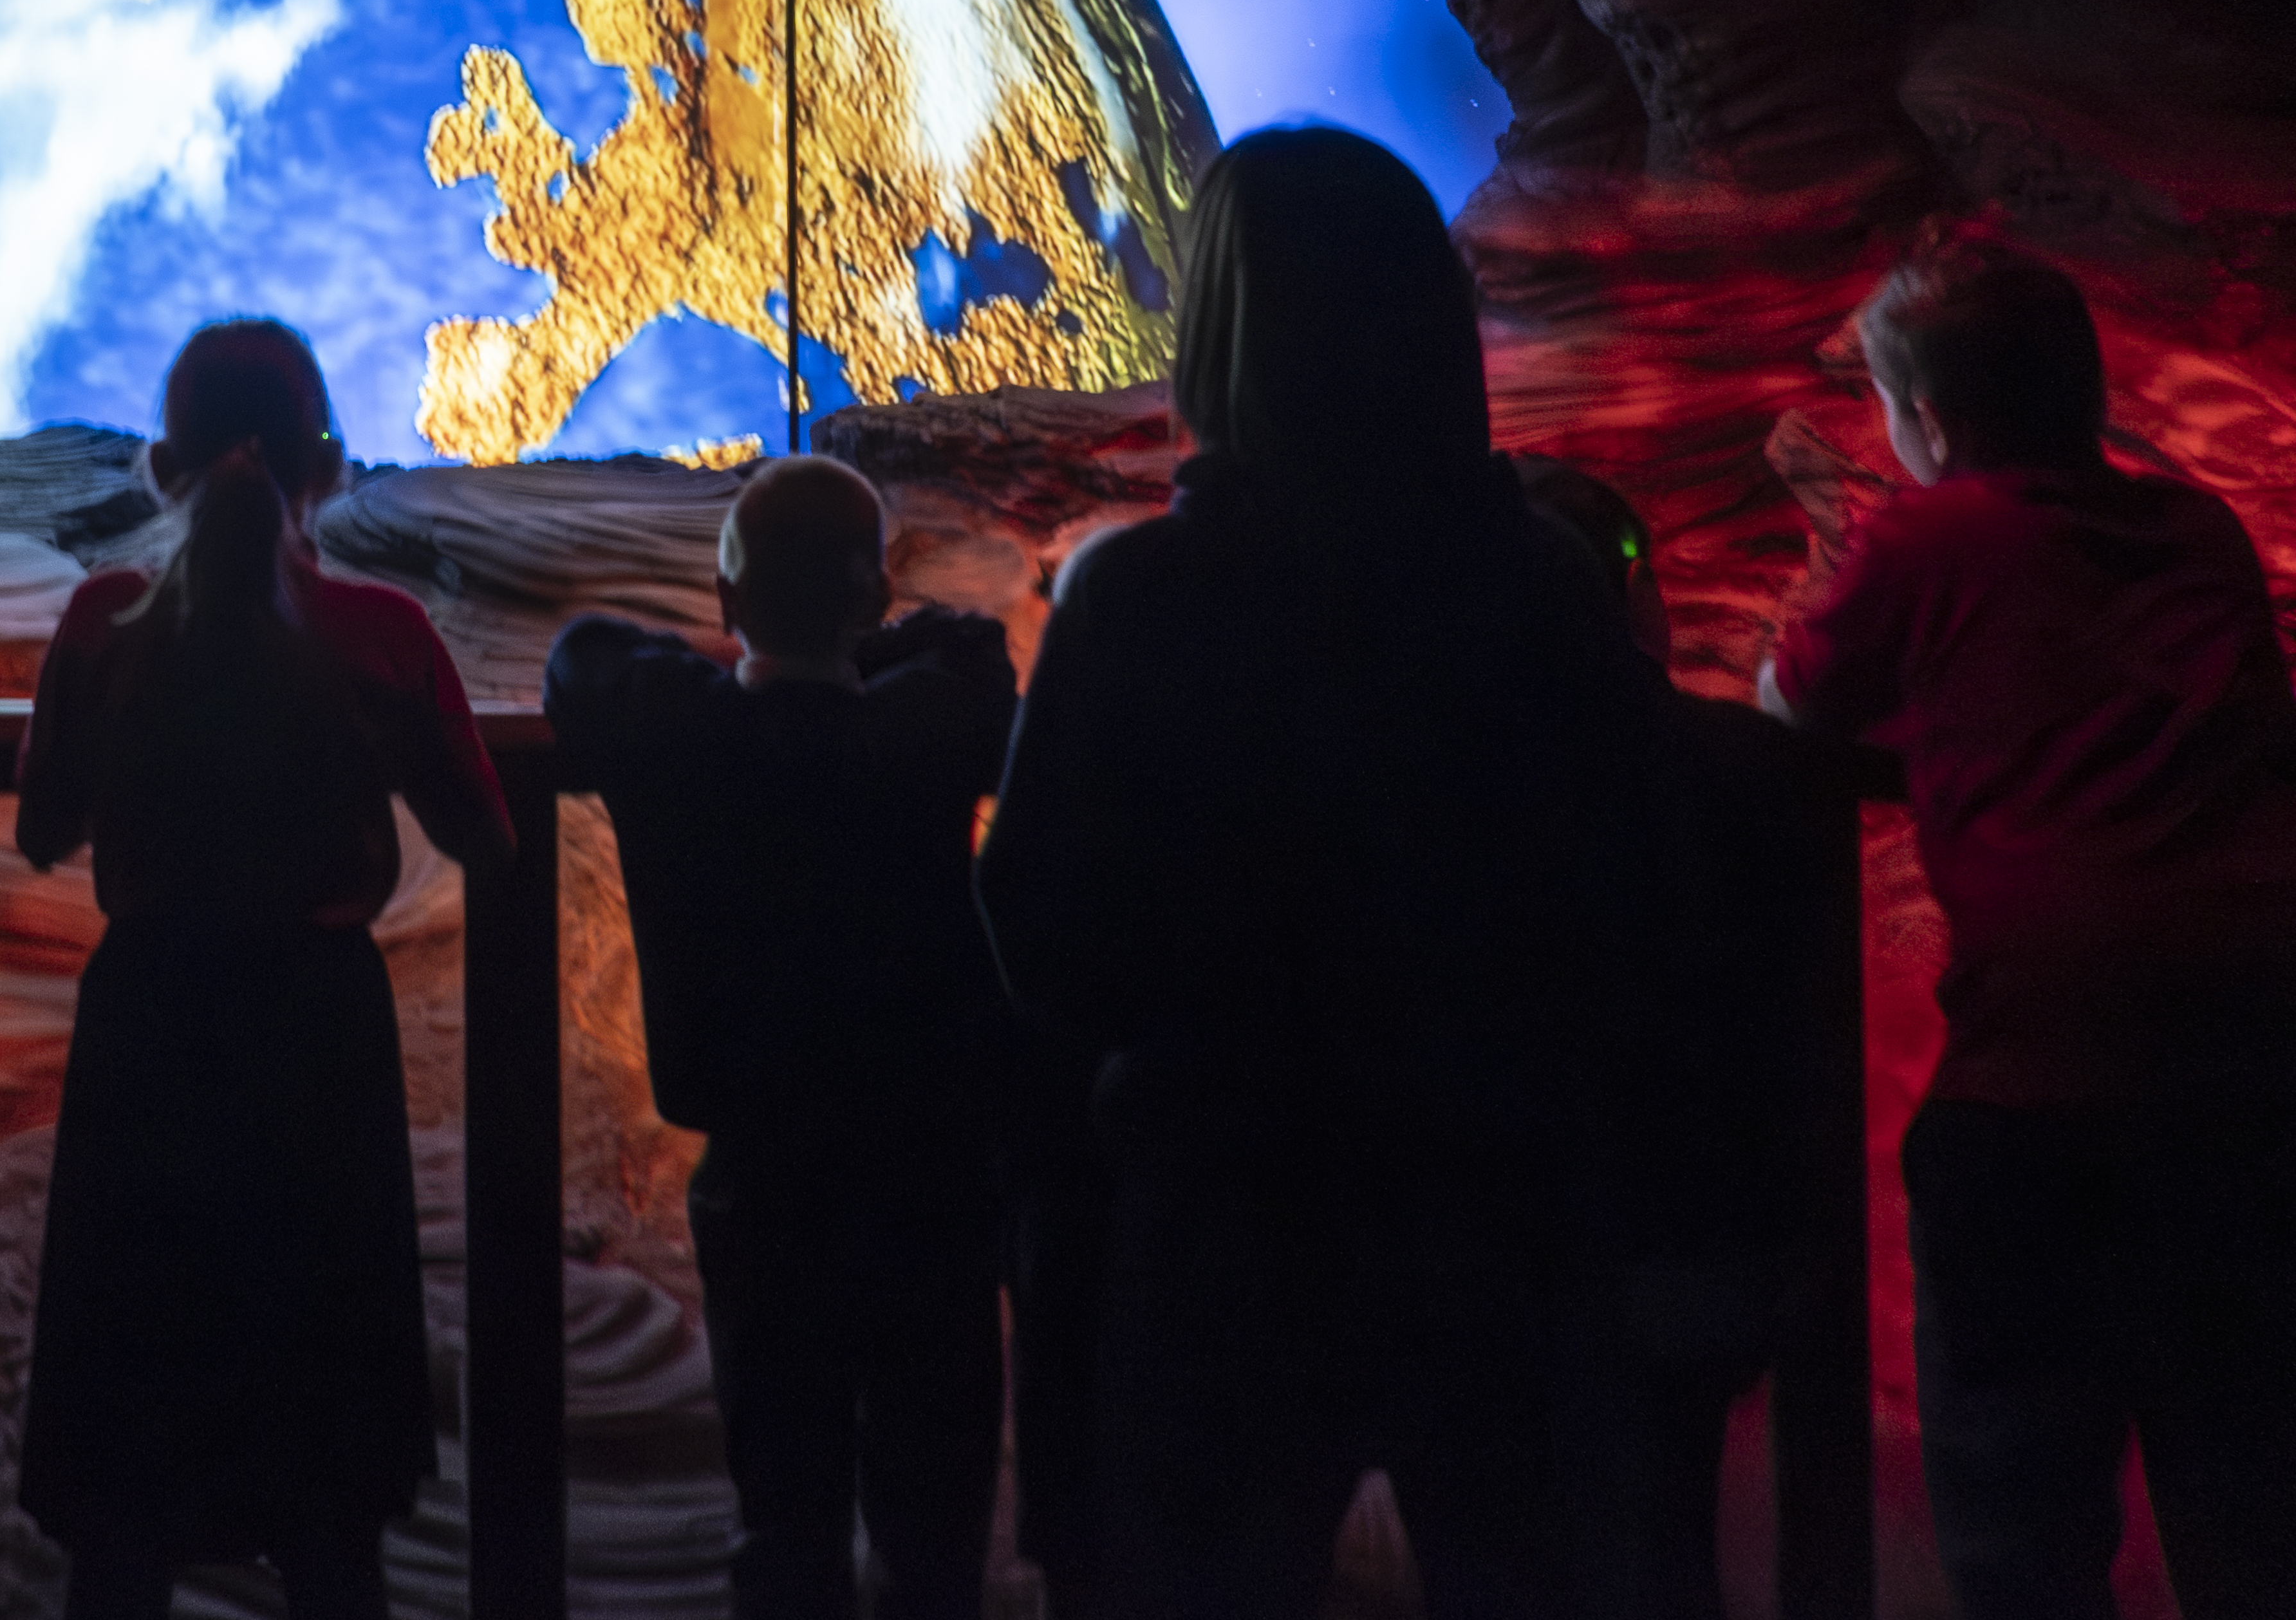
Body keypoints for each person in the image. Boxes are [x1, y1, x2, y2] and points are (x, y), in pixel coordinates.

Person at [976, 125, 1677, 1620]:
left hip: (1223, 1214)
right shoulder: (1550, 591)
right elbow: (1634, 896)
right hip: (1499, 1213)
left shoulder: (1139, 600)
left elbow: (1044, 925)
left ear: (1221, 326)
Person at [1760, 249, 2296, 1617]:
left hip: (2040, 1094)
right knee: (2248, 1494)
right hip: (2249, 1082)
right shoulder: (2201, 530)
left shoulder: (1928, 536)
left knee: (2019, 1516)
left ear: (1929, 423)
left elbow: (1791, 702)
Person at [14, 319, 514, 1620]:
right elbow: (484, 831)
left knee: (125, 1478)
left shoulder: (104, 620)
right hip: (317, 1048)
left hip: (148, 1041)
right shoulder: (383, 632)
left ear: (158, 466)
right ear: (331, 465)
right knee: (328, 1480)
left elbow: (41, 826)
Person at [544, 454, 1036, 1620]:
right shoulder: (925, 725)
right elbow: (970, 648)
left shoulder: (683, 732)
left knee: (783, 1519)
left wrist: (756, 651)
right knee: (935, 1528)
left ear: (729, 601)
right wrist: (843, 646)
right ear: (876, 599)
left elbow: (584, 654)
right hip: (931, 1177)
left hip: (764, 1178)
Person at [1516, 456, 1848, 1620]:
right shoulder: (1749, 765)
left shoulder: (1434, 780)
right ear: (1638, 596)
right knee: (1666, 1539)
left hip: (1506, 1254)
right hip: (1704, 1243)